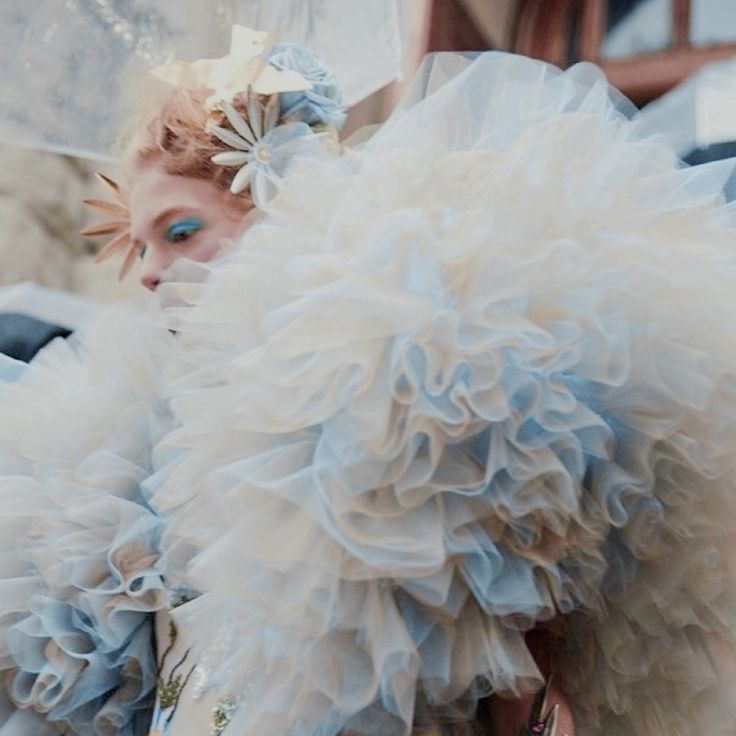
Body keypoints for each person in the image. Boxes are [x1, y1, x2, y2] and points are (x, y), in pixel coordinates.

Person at [1, 25, 736, 736]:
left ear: (281, 206)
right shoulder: (145, 444)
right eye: (140, 247)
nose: (153, 269)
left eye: (181, 229)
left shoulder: (409, 401)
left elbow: (517, 681)